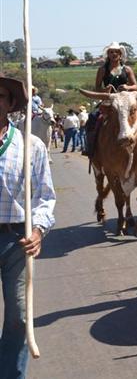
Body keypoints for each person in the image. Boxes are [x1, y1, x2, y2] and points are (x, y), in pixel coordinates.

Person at [0, 75, 56, 378]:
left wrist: (37, 230)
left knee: (19, 317)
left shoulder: (30, 145)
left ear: (10, 103)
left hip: (16, 240)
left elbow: (45, 196)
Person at [84, 42, 137, 158]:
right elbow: (97, 88)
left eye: (116, 52)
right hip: (110, 101)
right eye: (111, 52)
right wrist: (105, 89)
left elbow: (136, 86)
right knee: (92, 117)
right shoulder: (102, 70)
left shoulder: (127, 69)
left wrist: (127, 87)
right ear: (108, 54)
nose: (114, 54)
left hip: (127, 100)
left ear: (120, 54)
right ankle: (90, 148)